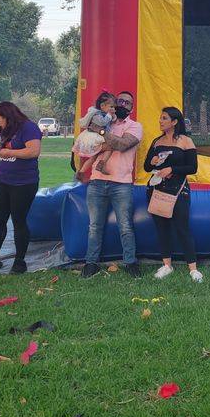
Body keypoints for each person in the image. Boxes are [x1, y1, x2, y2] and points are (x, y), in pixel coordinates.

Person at [81, 90, 143, 279]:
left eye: (128, 102)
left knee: (125, 225)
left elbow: (123, 145)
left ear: (131, 107)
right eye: (120, 101)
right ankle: (91, 263)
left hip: (121, 184)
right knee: (94, 226)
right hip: (97, 180)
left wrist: (100, 132)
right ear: (114, 104)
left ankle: (130, 262)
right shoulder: (104, 119)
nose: (123, 104)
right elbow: (91, 146)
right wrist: (105, 136)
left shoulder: (135, 126)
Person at [0, 101, 42, 276]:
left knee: (19, 221)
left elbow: (33, 151)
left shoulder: (29, 128)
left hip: (24, 182)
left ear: (8, 116)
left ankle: (19, 261)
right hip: (4, 179)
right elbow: (3, 152)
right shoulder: (5, 130)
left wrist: (9, 153)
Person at [144, 107, 203, 283]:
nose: (160, 121)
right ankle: (166, 265)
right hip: (157, 189)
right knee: (162, 228)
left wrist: (173, 169)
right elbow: (147, 167)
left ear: (174, 122)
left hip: (179, 190)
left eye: (164, 118)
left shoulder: (185, 141)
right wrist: (152, 161)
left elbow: (192, 168)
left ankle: (193, 269)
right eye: (160, 118)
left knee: (182, 227)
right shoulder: (157, 142)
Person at [73, 91, 115, 180]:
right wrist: (110, 115)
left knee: (93, 157)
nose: (112, 109)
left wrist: (112, 115)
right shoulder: (96, 114)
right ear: (102, 106)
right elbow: (102, 122)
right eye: (111, 106)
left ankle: (81, 172)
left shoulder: (103, 114)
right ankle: (102, 164)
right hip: (93, 137)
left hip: (97, 136)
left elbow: (110, 120)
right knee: (110, 147)